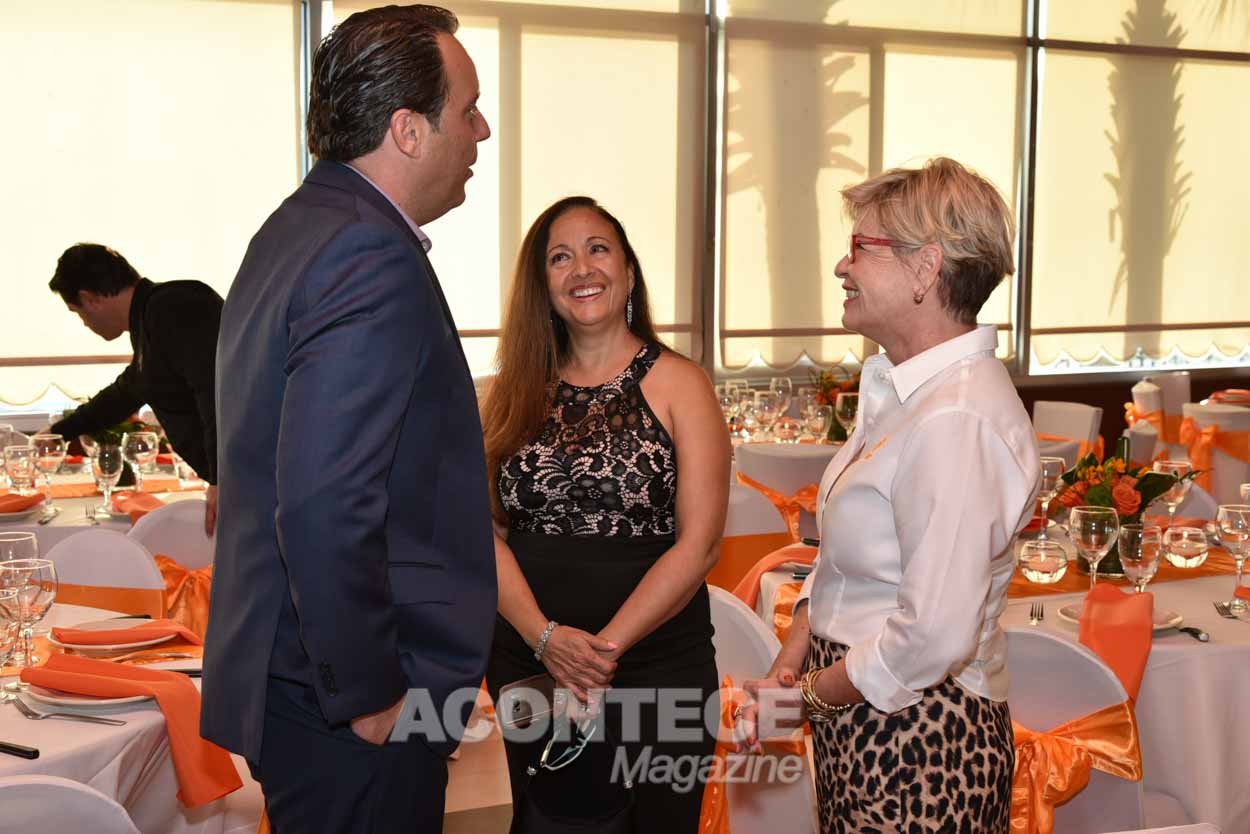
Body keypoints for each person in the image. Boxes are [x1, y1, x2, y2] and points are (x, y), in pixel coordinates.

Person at [201, 6, 495, 833]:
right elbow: (325, 500)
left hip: (292, 680)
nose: (481, 130)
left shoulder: (296, 227)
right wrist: (369, 694)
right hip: (347, 702)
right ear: (408, 129)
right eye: (468, 108)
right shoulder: (368, 253)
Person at [741, 158, 1039, 833]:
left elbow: (930, 636)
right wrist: (792, 662)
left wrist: (807, 698)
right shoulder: (908, 390)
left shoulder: (956, 417)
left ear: (925, 268)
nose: (841, 267)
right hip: (869, 717)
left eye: (859, 247)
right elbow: (847, 567)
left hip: (921, 743)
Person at [480, 195, 730, 832]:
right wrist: (545, 639)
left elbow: (699, 545)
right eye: (559, 258)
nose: (581, 269)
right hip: (530, 661)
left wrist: (597, 656)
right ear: (542, 286)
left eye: (598, 249)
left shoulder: (682, 384)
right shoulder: (509, 394)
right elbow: (484, 534)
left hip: (656, 668)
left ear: (629, 270)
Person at [47, 243, 222, 533]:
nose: (86, 324)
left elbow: (216, 389)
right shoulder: (149, 319)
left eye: (78, 313)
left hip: (252, 473)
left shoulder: (175, 305)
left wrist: (220, 477)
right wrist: (58, 432)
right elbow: (126, 392)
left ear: (89, 298)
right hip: (237, 475)